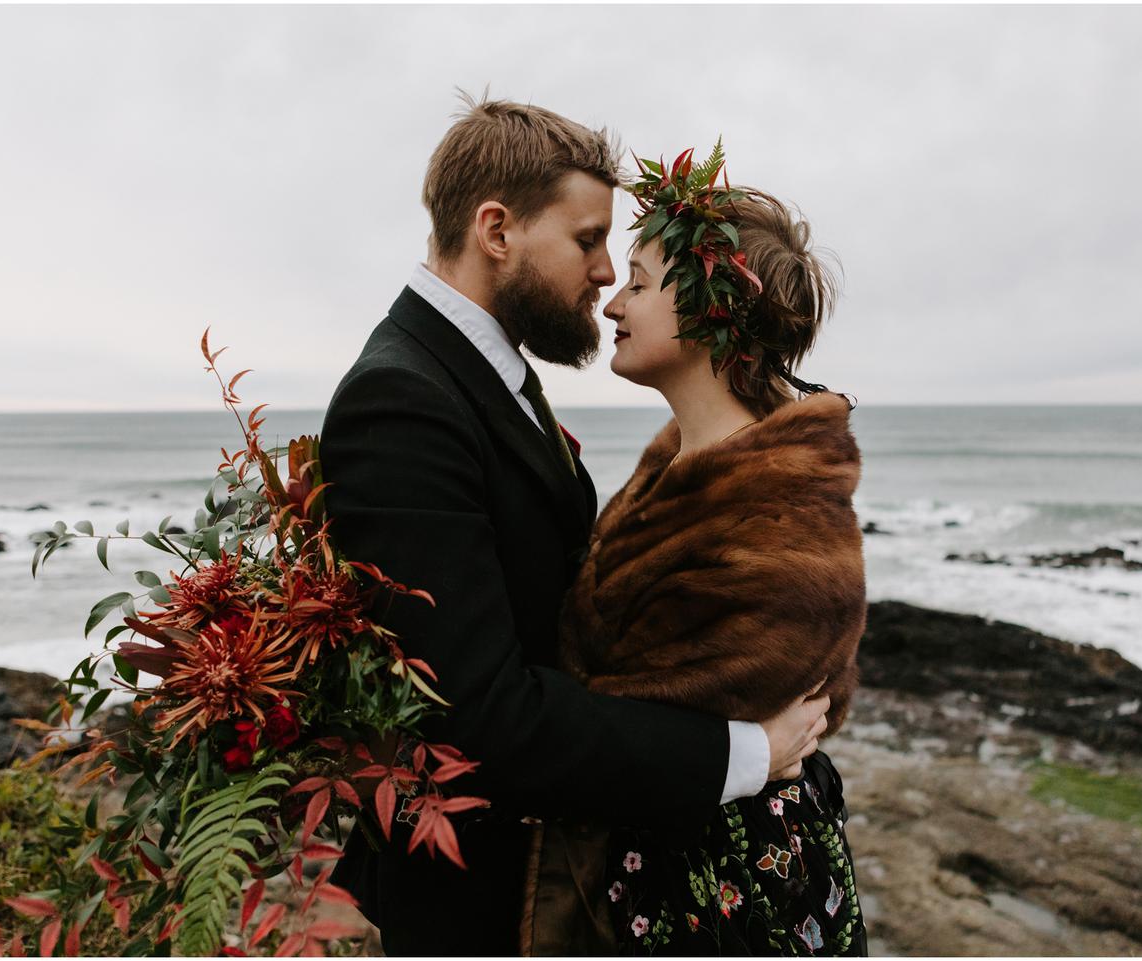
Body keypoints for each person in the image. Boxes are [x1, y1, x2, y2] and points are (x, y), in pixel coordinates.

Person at [320, 95, 830, 956]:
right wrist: (743, 753)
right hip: (477, 898)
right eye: (589, 240)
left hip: (549, 875)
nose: (604, 272)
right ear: (497, 231)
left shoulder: (483, 373)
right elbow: (481, 713)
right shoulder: (400, 399)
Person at [532, 148, 869, 955]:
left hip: (738, 889)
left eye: (640, 282)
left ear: (710, 310)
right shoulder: (679, 466)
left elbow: (645, 698)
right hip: (661, 865)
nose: (613, 301)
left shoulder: (781, 511)